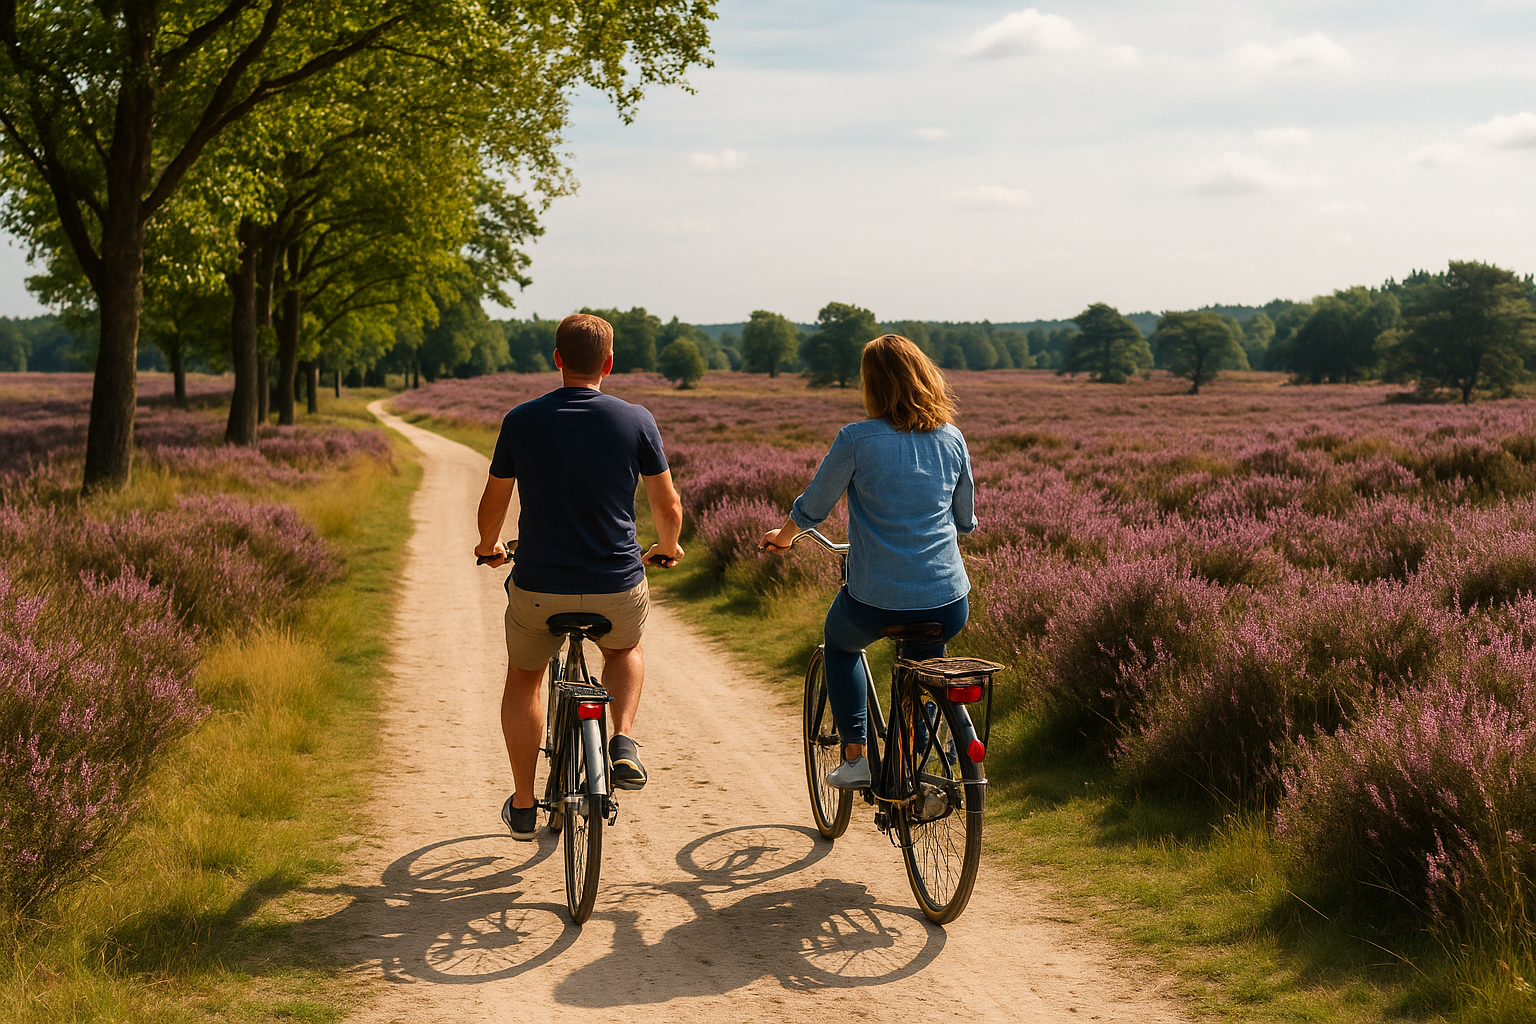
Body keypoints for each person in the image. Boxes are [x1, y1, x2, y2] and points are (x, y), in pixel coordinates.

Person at [475, 312, 685, 839]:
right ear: (610, 364)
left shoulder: (521, 420)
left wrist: (489, 546)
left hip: (540, 586)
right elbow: (667, 503)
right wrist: (666, 546)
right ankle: (622, 740)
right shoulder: (637, 420)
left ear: (557, 359)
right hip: (617, 583)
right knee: (623, 650)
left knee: (525, 678)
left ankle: (524, 804)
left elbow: (492, 502)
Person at [761, 334, 975, 790]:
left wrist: (783, 539)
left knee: (840, 645)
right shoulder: (953, 439)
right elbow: (965, 520)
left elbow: (813, 508)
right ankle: (922, 756)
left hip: (876, 599)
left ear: (872, 385)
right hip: (947, 600)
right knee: (926, 662)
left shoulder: (856, 439)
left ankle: (856, 755)